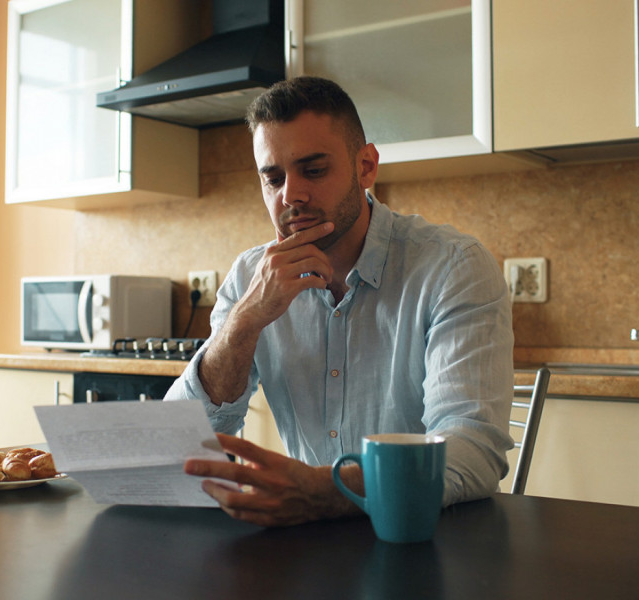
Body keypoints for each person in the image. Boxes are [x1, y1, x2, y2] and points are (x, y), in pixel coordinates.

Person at [164, 76, 514, 527]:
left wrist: (323, 492)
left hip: (428, 538)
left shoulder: (453, 268)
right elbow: (178, 443)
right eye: (273, 178)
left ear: (366, 166)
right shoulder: (251, 278)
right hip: (306, 543)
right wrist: (243, 322)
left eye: (313, 170)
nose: (291, 195)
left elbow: (471, 451)